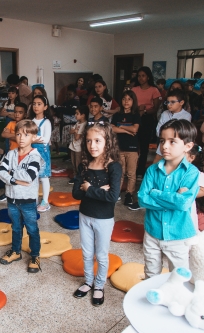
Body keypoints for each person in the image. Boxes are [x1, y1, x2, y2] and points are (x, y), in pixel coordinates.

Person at [139, 119, 199, 279]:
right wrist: (174, 198)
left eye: (172, 141)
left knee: (179, 276)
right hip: (152, 231)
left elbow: (183, 203)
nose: (164, 146)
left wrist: (155, 193)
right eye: (162, 141)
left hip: (178, 235)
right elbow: (142, 199)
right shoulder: (152, 170)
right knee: (151, 274)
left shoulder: (192, 173)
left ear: (188, 146)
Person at [72, 122, 122, 306]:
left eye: (97, 140)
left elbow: (112, 197)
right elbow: (76, 193)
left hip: (103, 219)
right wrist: (97, 190)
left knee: (101, 255)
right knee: (86, 253)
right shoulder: (84, 165)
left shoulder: (113, 167)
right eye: (88, 141)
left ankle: (99, 286)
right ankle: (88, 281)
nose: (92, 145)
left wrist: (89, 188)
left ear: (107, 142)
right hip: (84, 215)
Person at [0, 119, 43, 273]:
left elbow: (29, 176)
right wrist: (13, 179)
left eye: (26, 135)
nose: (21, 138)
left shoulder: (35, 156)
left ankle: (35, 255)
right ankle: (16, 252)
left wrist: (10, 174)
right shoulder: (10, 154)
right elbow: (0, 172)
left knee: (32, 229)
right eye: (18, 134)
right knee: (16, 228)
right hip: (12, 199)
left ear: (33, 137)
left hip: (28, 201)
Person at [111, 90, 141, 208]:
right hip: (119, 148)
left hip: (132, 149)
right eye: (124, 99)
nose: (126, 101)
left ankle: (129, 193)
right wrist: (125, 130)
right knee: (120, 172)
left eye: (129, 99)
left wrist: (121, 126)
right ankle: (117, 192)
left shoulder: (135, 115)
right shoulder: (117, 115)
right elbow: (112, 128)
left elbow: (135, 129)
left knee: (131, 173)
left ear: (133, 101)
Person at [132, 66, 161, 180]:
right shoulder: (134, 90)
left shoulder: (154, 90)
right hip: (135, 117)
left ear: (148, 77)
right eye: (139, 76)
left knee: (144, 146)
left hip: (147, 119)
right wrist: (138, 110)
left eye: (143, 75)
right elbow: (131, 104)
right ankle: (132, 168)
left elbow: (155, 108)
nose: (141, 78)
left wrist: (144, 111)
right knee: (134, 145)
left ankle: (140, 171)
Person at [0, 102, 27, 202]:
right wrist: (18, 136)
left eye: (20, 112)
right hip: (11, 154)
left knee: (21, 174)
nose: (17, 114)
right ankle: (7, 193)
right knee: (9, 173)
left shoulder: (27, 124)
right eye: (15, 112)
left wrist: (13, 135)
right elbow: (3, 134)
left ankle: (20, 193)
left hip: (23, 155)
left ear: (25, 114)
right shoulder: (11, 123)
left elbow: (26, 138)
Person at [153, 89, 192, 163]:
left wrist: (165, 135)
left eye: (172, 102)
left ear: (181, 102)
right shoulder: (164, 113)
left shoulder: (186, 116)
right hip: (163, 145)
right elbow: (158, 131)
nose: (168, 104)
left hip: (177, 147)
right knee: (156, 164)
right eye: (167, 102)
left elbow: (182, 134)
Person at [28, 95, 53, 212]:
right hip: (31, 152)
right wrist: (32, 139)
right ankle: (34, 199)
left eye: (39, 104)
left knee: (44, 177)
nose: (36, 106)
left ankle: (45, 201)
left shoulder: (46, 122)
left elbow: (46, 139)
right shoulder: (31, 121)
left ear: (45, 107)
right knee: (34, 177)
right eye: (34, 104)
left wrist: (32, 138)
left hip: (42, 152)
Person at [186, 145, 204, 232]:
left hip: (191, 205)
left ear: (191, 157)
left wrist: (187, 192)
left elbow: (202, 192)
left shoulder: (198, 174)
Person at [68, 105, 89, 185]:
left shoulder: (84, 124)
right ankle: (75, 176)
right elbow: (70, 131)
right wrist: (74, 131)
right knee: (73, 162)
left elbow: (77, 137)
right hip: (73, 146)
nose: (75, 115)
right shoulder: (77, 123)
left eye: (77, 113)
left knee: (78, 163)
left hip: (79, 148)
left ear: (83, 115)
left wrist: (75, 131)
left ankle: (79, 178)